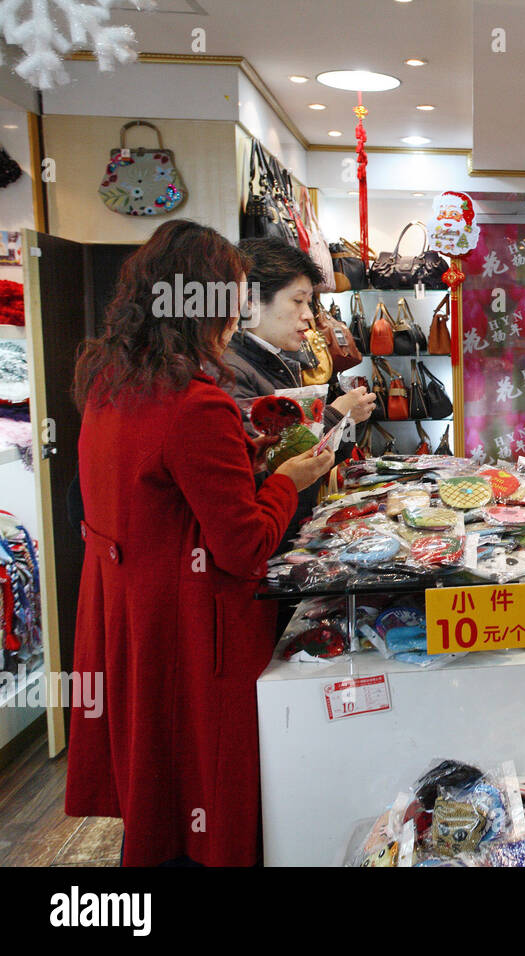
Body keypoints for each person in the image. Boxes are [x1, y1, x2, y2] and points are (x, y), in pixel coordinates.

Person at [65, 220, 337, 866]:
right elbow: (243, 544)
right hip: (196, 631)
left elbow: (153, 501)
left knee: (156, 786)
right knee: (210, 789)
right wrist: (287, 479)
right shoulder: (195, 404)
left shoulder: (108, 382)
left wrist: (249, 460)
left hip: (129, 623)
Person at [223, 238, 375, 550]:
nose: (308, 315)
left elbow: (319, 463)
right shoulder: (231, 373)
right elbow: (265, 472)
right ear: (250, 301)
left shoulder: (285, 360)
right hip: (266, 544)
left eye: (310, 303)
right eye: (297, 301)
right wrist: (335, 415)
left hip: (291, 532)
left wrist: (346, 420)